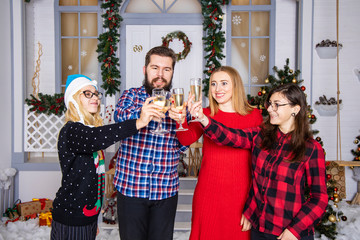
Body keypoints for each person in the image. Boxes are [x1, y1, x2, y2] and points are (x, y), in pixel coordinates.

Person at [190, 83, 328, 240]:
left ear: (295, 109)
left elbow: (319, 198)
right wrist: (202, 118)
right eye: (269, 104)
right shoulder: (260, 136)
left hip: (290, 233)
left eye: (277, 105)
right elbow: (230, 136)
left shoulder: (311, 148)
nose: (269, 109)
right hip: (259, 230)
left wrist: (294, 230)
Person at [51, 74, 159, 240]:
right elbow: (98, 137)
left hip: (87, 217)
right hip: (71, 217)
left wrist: (93, 219)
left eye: (95, 94)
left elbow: (94, 177)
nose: (95, 98)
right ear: (73, 99)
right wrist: (139, 122)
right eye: (87, 93)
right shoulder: (71, 130)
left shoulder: (86, 128)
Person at [169, 66, 263, 240]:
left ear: (236, 86)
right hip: (209, 192)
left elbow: (259, 162)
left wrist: (252, 208)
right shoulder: (204, 113)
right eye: (213, 84)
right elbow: (185, 139)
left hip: (241, 195)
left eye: (224, 83)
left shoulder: (254, 115)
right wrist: (180, 119)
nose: (218, 89)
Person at [113, 46, 188, 240]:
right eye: (155, 68)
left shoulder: (177, 103)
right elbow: (119, 118)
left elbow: (183, 145)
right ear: (145, 69)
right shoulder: (131, 96)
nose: (160, 75)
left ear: (172, 72)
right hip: (131, 187)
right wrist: (141, 115)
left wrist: (183, 122)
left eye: (166, 69)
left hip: (165, 190)